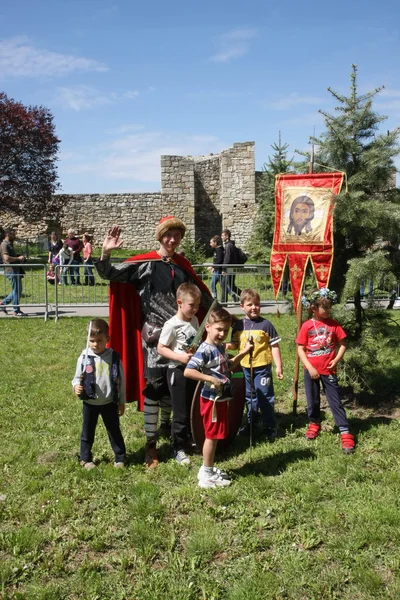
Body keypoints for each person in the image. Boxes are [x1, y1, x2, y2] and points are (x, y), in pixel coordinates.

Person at [94, 217, 213, 468]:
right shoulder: (144, 264)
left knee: (174, 388)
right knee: (154, 389)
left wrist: (224, 318)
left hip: (182, 339)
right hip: (155, 338)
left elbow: (201, 297)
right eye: (167, 235)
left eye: (176, 236)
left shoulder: (182, 265)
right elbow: (109, 274)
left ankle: (171, 433)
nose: (172, 240)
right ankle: (150, 444)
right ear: (160, 236)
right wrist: (105, 252)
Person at [184, 308, 253, 488]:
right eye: (219, 329)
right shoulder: (205, 350)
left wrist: (244, 352)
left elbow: (227, 366)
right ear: (208, 327)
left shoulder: (219, 347)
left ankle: (208, 467)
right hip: (211, 401)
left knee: (215, 435)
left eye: (226, 330)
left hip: (221, 398)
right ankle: (206, 474)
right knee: (211, 436)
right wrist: (210, 378)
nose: (222, 334)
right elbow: (188, 371)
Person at [296, 288, 355, 454]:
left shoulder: (334, 325)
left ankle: (344, 431)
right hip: (311, 370)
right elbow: (300, 349)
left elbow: (343, 344)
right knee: (312, 400)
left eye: (330, 307)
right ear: (314, 308)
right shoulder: (307, 326)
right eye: (325, 308)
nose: (329, 310)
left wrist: (336, 360)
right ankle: (314, 423)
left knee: (335, 400)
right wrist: (310, 367)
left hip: (328, 371)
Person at [228, 289, 283, 440]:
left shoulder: (266, 325)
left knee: (264, 396)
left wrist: (278, 366)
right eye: (250, 304)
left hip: (262, 368)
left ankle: (270, 426)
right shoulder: (239, 325)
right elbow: (234, 344)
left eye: (257, 304)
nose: (254, 307)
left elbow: (275, 347)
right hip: (245, 367)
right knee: (249, 396)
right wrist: (227, 346)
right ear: (242, 306)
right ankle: (252, 423)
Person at [72, 319, 127, 470]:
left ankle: (120, 457)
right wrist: (76, 386)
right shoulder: (84, 358)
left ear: (107, 339)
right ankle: (85, 458)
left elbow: (121, 381)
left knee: (114, 431)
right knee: (87, 431)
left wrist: (121, 401)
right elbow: (76, 378)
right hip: (90, 403)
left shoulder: (114, 358)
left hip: (109, 403)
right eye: (92, 341)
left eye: (99, 341)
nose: (95, 344)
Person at [157, 283, 201, 465]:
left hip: (194, 371)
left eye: (197, 305)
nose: (195, 309)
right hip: (177, 372)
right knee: (181, 412)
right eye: (191, 305)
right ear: (179, 302)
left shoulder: (195, 320)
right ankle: (178, 447)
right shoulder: (172, 325)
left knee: (192, 408)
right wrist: (179, 357)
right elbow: (161, 348)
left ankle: (189, 439)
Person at [0, 229, 26, 317]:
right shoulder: (4, 245)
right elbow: (6, 258)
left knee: (18, 290)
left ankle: (3, 304)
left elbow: (11, 256)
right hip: (11, 270)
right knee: (17, 290)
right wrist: (18, 259)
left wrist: (18, 255)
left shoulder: (10, 244)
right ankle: (16, 310)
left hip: (15, 269)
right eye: (13, 235)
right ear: (7, 234)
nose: (14, 237)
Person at [220, 229, 242, 303]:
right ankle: (246, 297)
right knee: (232, 286)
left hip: (229, 269)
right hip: (231, 268)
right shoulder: (230, 245)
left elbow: (227, 258)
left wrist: (224, 269)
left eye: (222, 235)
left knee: (223, 284)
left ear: (227, 236)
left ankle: (223, 302)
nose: (221, 237)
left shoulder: (229, 246)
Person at [209, 236, 224, 300]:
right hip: (216, 270)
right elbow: (215, 260)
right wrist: (213, 268)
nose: (210, 244)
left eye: (211, 242)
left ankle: (214, 298)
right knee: (214, 284)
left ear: (215, 242)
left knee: (221, 285)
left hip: (219, 270)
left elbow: (219, 260)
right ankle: (214, 298)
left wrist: (212, 266)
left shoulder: (220, 250)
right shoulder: (216, 250)